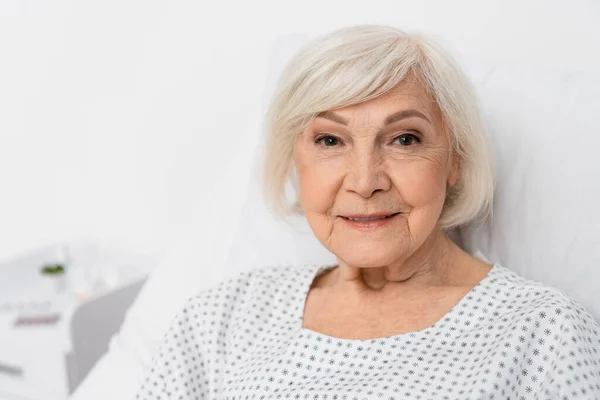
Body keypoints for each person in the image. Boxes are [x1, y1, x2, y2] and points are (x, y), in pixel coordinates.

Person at [135, 25, 600, 399]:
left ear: (454, 159)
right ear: (296, 161)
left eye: (404, 139)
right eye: (330, 141)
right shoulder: (222, 319)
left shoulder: (541, 332)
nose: (364, 180)